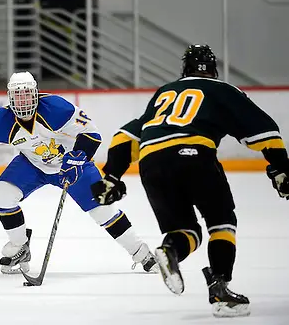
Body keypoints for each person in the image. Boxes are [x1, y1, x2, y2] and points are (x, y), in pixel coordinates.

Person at [91, 44, 289, 318]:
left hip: (152, 163)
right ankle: (220, 290)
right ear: (213, 69)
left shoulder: (164, 93)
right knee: (222, 222)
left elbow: (125, 135)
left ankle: (170, 250)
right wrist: (281, 168)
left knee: (186, 231)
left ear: (184, 69)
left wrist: (112, 175)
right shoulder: (222, 89)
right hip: (195, 155)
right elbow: (264, 130)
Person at [0, 71, 159, 275]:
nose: (22, 100)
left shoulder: (57, 108)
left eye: (27, 94)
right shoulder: (2, 121)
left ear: (36, 93)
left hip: (73, 165)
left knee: (102, 211)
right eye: (17, 95)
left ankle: (142, 253)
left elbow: (91, 133)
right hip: (32, 165)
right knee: (2, 195)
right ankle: (20, 246)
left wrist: (78, 157)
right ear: (9, 97)